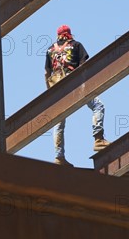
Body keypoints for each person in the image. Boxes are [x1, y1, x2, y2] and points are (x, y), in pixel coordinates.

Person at [45, 24, 110, 166]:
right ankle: (98, 138)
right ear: (70, 34)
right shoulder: (76, 45)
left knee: (59, 122)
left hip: (57, 88)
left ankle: (59, 157)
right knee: (98, 105)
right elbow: (83, 67)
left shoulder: (50, 50)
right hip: (73, 84)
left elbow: (46, 72)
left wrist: (50, 93)